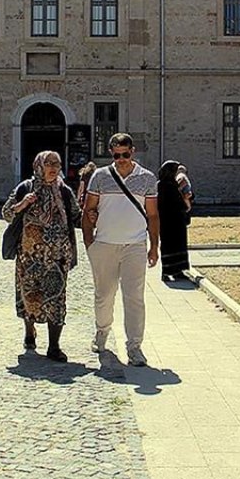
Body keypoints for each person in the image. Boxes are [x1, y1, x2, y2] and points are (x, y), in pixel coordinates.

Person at [82, 133, 160, 367]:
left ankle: (134, 346)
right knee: (104, 295)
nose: (122, 159)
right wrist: (89, 244)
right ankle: (102, 331)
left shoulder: (146, 178)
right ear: (111, 154)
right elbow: (88, 210)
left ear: (132, 152)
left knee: (134, 297)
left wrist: (154, 246)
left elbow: (153, 214)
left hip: (134, 245)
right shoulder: (100, 176)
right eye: (117, 155)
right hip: (105, 244)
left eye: (125, 154)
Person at [2, 151, 82, 362]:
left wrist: (96, 213)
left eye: (57, 163)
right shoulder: (25, 188)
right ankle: (29, 332)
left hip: (57, 258)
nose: (53, 167)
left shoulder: (64, 191)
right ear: (39, 166)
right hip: (29, 257)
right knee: (30, 296)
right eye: (48, 163)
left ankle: (54, 347)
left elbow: (76, 216)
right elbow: (7, 214)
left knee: (56, 298)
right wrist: (22, 205)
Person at [156, 160, 191, 280]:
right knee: (167, 246)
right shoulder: (162, 186)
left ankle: (178, 271)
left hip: (178, 222)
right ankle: (166, 271)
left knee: (179, 245)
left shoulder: (174, 185)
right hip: (167, 222)